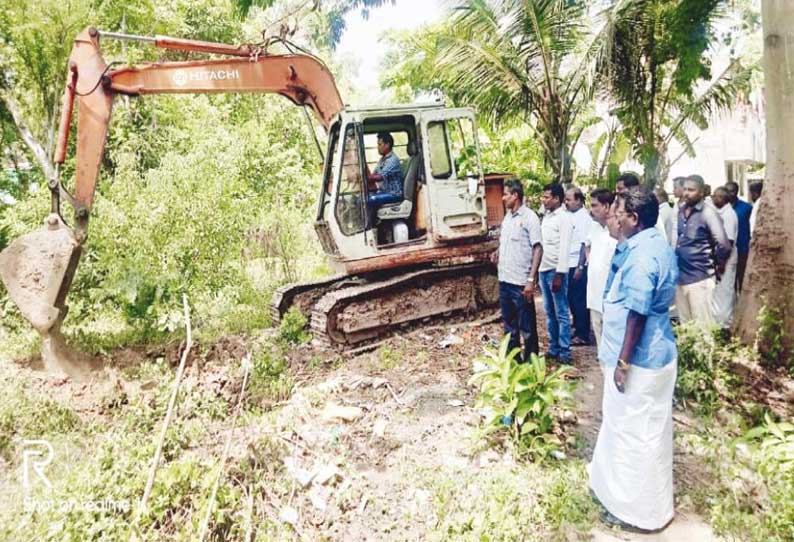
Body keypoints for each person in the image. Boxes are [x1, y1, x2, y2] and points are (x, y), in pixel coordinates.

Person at [589, 186, 679, 533]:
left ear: (634, 218)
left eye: (619, 211)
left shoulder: (643, 256)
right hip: (652, 355)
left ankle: (636, 513)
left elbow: (637, 314)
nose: (614, 215)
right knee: (642, 430)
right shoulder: (650, 243)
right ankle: (627, 498)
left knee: (634, 434)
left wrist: (623, 363)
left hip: (639, 361)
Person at [492, 179, 543, 361]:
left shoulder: (530, 218)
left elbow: (537, 248)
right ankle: (514, 362)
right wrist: (498, 252)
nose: (503, 198)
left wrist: (531, 280)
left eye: (505, 194)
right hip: (505, 280)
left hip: (520, 283)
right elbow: (508, 242)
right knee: (509, 326)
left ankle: (531, 364)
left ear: (515, 195)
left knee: (527, 328)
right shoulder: (507, 218)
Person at [674, 176, 731, 324]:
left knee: (702, 328)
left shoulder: (708, 213)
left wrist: (716, 264)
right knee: (685, 326)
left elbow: (724, 244)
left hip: (700, 277)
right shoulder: (681, 212)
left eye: (691, 190)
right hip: (681, 277)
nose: (686, 193)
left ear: (701, 193)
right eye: (685, 189)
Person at [539, 183, 573, 363]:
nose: (544, 200)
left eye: (547, 197)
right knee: (549, 312)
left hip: (555, 271)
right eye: (543, 197)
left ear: (557, 199)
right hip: (543, 269)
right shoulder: (547, 216)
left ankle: (565, 351)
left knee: (561, 312)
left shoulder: (564, 218)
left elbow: (565, 247)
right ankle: (554, 347)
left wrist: (560, 274)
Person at [585, 188, 616, 348]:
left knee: (613, 343)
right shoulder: (594, 227)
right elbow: (587, 245)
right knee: (600, 343)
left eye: (595, 205)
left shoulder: (617, 229)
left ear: (606, 206)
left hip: (611, 297)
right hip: (594, 294)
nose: (592, 209)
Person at [565, 187, 593, 346]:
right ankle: (576, 326)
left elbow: (585, 244)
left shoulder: (584, 218)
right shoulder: (570, 216)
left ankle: (583, 333)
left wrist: (580, 267)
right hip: (568, 263)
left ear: (579, 200)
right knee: (572, 299)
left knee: (580, 300)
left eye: (569, 199)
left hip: (577, 264)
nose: (566, 203)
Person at [711, 187, 738, 328]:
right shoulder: (722, 213)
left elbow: (728, 241)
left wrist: (721, 262)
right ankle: (719, 322)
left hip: (726, 260)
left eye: (715, 196)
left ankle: (726, 324)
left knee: (725, 291)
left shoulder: (729, 215)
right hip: (721, 259)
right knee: (720, 292)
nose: (713, 198)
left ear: (721, 198)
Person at [725, 181, 752, 291]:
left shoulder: (746, 208)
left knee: (741, 277)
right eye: (727, 191)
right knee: (727, 281)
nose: (729, 193)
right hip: (726, 250)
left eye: (732, 191)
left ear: (737, 191)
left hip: (742, 248)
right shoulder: (720, 208)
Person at [366, 132, 404, 208]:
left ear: (387, 145)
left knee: (370, 199)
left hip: (394, 194)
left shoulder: (393, 160)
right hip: (384, 192)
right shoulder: (383, 159)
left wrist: (366, 178)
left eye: (380, 144)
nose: (378, 147)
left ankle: (371, 220)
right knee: (363, 197)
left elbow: (380, 177)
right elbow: (374, 174)